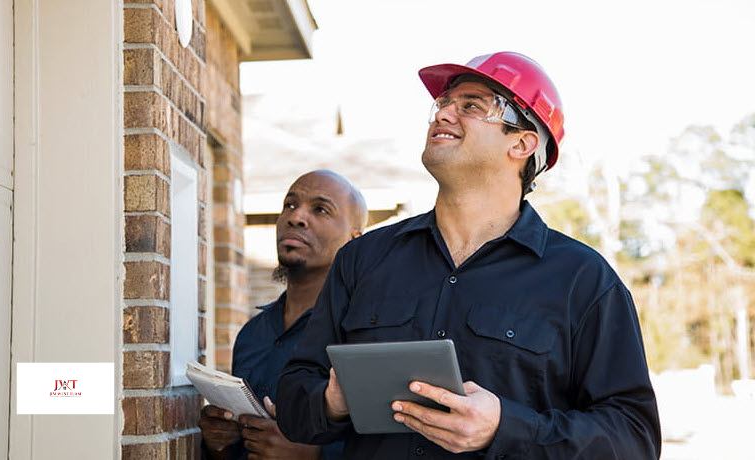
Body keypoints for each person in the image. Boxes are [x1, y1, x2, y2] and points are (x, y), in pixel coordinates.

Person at [276, 52, 662, 459]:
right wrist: (333, 400)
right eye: (443, 104)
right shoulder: (362, 259)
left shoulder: (583, 280)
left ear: (522, 143)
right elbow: (294, 400)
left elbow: (633, 438)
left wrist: (505, 428)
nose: (443, 114)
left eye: (471, 105)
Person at [199, 170, 367, 460]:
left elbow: (393, 438)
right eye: (290, 204)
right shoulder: (252, 334)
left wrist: (313, 455)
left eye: (320, 209)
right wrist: (218, 442)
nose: (296, 217)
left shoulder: (364, 332)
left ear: (354, 240)